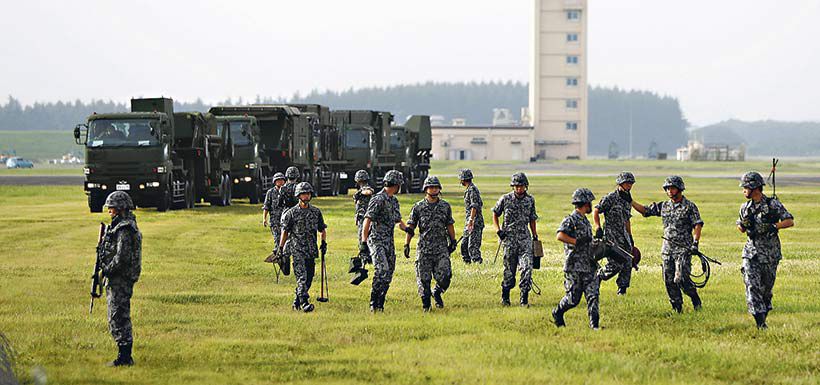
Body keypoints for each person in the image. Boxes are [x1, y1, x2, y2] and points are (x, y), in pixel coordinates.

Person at [631, 176, 704, 313]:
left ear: (680, 189)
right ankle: (677, 308)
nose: (669, 191)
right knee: (669, 280)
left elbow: (697, 224)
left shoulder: (689, 206)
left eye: (672, 188)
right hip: (667, 250)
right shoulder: (664, 206)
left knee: (681, 278)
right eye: (667, 188)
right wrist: (630, 201)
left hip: (683, 250)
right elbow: (646, 211)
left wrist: (695, 243)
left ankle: (694, 297)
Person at [736, 171, 794, 329]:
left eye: (745, 187)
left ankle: (764, 312)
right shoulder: (745, 208)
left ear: (755, 188)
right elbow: (740, 228)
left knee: (765, 290)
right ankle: (760, 323)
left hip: (769, 254)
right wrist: (744, 224)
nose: (743, 190)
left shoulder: (772, 205)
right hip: (751, 253)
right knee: (751, 285)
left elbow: (789, 221)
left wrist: (773, 226)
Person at [100, 191, 142, 366]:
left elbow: (122, 257)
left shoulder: (124, 228)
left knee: (119, 315)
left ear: (121, 209)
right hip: (118, 278)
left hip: (121, 278)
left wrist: (108, 269)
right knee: (116, 314)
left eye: (112, 208)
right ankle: (123, 354)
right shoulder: (120, 226)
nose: (110, 211)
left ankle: (125, 357)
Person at [361, 170, 412, 312]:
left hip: (389, 242)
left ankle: (380, 303)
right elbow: (367, 220)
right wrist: (363, 243)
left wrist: (407, 229)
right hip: (376, 241)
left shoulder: (393, 200)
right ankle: (373, 301)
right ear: (395, 185)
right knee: (382, 270)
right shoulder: (378, 199)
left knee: (389, 274)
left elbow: (398, 221)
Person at [404, 176, 457, 311]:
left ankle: (437, 292)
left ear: (439, 189)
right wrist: (406, 244)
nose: (434, 189)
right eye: (431, 187)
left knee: (446, 275)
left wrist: (453, 240)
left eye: (436, 187)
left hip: (441, 249)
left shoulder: (445, 206)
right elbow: (411, 226)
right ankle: (426, 306)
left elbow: (449, 224)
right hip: (424, 249)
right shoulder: (418, 207)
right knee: (424, 280)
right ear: (426, 189)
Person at [552, 188, 601, 329]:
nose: (591, 205)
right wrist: (577, 241)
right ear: (584, 203)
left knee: (593, 295)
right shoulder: (570, 219)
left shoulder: (585, 221)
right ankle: (558, 312)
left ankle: (594, 326)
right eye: (589, 202)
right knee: (573, 299)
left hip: (589, 264)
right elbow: (560, 236)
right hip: (574, 266)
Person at [278, 182, 327, 312]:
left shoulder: (316, 212)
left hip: (311, 250)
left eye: (308, 193)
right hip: (297, 249)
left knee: (309, 278)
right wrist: (281, 248)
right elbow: (285, 232)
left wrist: (323, 243)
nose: (306, 196)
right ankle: (305, 302)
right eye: (304, 194)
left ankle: (296, 301)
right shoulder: (291, 213)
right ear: (298, 195)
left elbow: (322, 229)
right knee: (302, 277)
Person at [492, 172, 539, 307]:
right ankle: (505, 297)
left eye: (521, 186)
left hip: (525, 239)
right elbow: (495, 214)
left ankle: (524, 299)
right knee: (509, 273)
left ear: (526, 186)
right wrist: (498, 230)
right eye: (516, 186)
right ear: (513, 187)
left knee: (527, 268)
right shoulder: (505, 199)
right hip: (509, 241)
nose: (519, 189)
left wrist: (535, 236)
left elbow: (532, 219)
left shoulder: (530, 200)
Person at [593, 171, 636, 295]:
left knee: (628, 261)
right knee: (615, 264)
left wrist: (630, 236)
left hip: (624, 236)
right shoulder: (611, 197)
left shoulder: (628, 200)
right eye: (626, 183)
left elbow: (627, 219)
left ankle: (622, 289)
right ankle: (599, 276)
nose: (629, 185)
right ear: (620, 184)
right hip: (611, 236)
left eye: (631, 183)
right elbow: (596, 210)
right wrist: (598, 228)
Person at [350, 170, 375, 283]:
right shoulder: (360, 190)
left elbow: (369, 192)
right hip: (361, 220)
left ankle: (363, 266)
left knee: (364, 242)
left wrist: (361, 193)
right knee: (361, 242)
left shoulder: (366, 188)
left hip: (366, 220)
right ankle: (363, 262)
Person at [459, 169, 484, 264]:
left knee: (473, 246)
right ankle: (467, 263)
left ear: (463, 179)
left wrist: (471, 220)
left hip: (475, 222)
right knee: (464, 245)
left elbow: (474, 206)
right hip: (470, 222)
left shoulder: (472, 190)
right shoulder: (469, 189)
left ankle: (477, 262)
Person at [263, 172, 287, 251]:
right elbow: (266, 206)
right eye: (278, 180)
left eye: (282, 180)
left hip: (286, 221)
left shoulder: (287, 192)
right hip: (275, 221)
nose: (280, 182)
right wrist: (264, 218)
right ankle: (279, 256)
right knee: (277, 239)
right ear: (275, 182)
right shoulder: (270, 192)